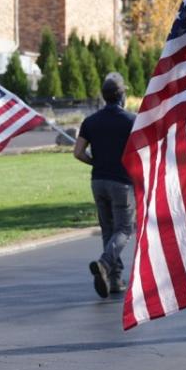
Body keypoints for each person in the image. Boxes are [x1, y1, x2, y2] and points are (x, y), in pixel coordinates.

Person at [74, 73, 136, 298]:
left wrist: (95, 162)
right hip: (122, 183)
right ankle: (104, 264)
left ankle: (114, 279)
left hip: (98, 180)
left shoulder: (90, 121)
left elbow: (78, 152)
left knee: (108, 229)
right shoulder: (132, 121)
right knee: (124, 229)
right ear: (122, 96)